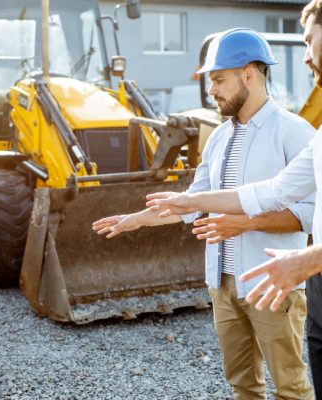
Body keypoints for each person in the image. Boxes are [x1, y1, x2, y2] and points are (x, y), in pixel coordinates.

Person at [93, 28, 315, 399]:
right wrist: (135, 220)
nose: (211, 90)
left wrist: (248, 222)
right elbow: (192, 203)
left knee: (290, 387)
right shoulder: (219, 138)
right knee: (242, 385)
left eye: (218, 79)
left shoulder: (295, 133)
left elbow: (310, 215)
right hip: (223, 284)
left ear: (249, 73)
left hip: (271, 284)